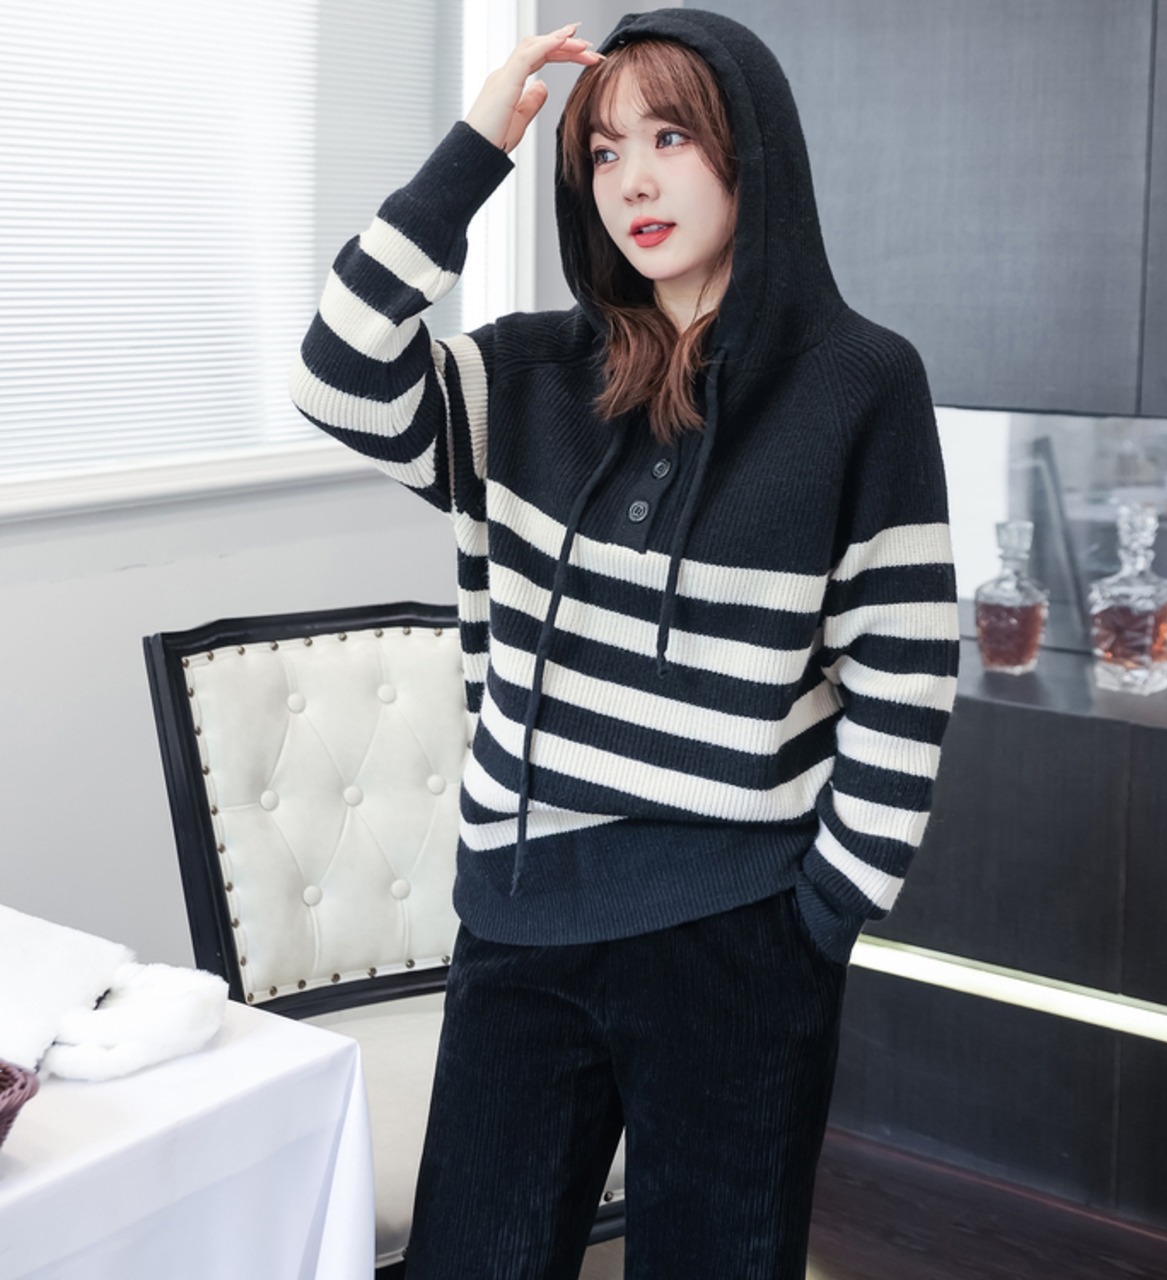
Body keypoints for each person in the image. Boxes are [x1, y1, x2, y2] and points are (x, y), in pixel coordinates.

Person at [290, 8, 959, 1277]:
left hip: (737, 933)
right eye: (601, 152)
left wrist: (823, 914)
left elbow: (905, 669)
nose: (631, 181)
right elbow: (337, 372)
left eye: (668, 138)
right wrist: (479, 143)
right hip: (521, 915)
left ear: (749, 150)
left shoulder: (857, 382)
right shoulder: (525, 376)